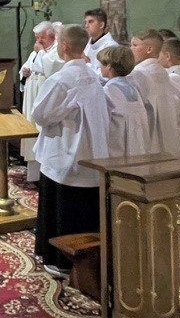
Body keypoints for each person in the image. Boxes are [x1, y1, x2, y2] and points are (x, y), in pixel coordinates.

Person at [31, 25, 109, 276]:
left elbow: (40, 115)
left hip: (63, 153)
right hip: (91, 153)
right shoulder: (94, 77)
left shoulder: (62, 79)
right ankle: (87, 259)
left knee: (61, 208)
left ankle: (59, 259)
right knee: (83, 209)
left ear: (64, 45)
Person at [129, 29, 180, 157]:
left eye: (135, 45)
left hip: (147, 133)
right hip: (167, 133)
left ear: (149, 49)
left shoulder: (138, 74)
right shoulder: (163, 72)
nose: (130, 48)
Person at [19, 21, 64, 182]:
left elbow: (51, 69)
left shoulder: (56, 51)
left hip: (45, 102)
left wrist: (40, 53)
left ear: (51, 36)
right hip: (32, 100)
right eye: (36, 38)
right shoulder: (36, 52)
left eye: (41, 37)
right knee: (32, 135)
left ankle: (43, 177)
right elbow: (26, 68)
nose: (38, 41)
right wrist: (23, 74)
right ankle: (33, 176)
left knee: (42, 136)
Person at [97, 46, 149, 158]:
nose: (100, 67)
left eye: (102, 64)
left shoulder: (108, 91)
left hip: (117, 147)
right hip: (137, 146)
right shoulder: (133, 88)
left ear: (109, 66)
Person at [83, 8, 118, 77]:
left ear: (101, 25)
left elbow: (107, 76)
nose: (86, 26)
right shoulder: (88, 44)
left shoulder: (111, 47)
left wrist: (87, 64)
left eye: (91, 22)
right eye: (85, 22)